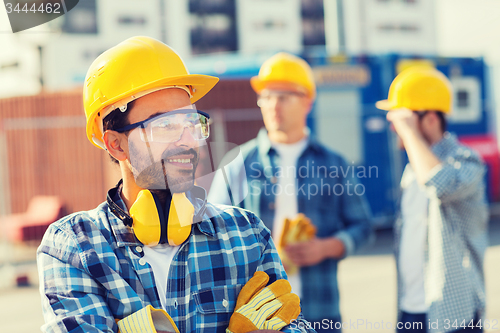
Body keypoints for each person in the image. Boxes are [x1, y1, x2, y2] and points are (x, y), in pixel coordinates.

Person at [36, 36, 315, 333]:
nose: (188, 141)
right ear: (116, 145)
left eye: (193, 124)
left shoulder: (246, 234)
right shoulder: (74, 247)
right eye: (165, 126)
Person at [208, 52, 373, 331]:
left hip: (320, 309)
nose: (273, 105)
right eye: (267, 96)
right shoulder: (239, 163)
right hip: (259, 312)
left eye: (283, 96)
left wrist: (327, 247)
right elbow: (211, 233)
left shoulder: (333, 164)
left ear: (307, 101)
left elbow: (363, 225)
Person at [377, 67, 488, 333]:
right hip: (411, 310)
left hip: (453, 313)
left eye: (402, 118)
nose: (394, 127)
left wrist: (410, 133)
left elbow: (441, 185)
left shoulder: (466, 160)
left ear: (429, 119)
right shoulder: (413, 169)